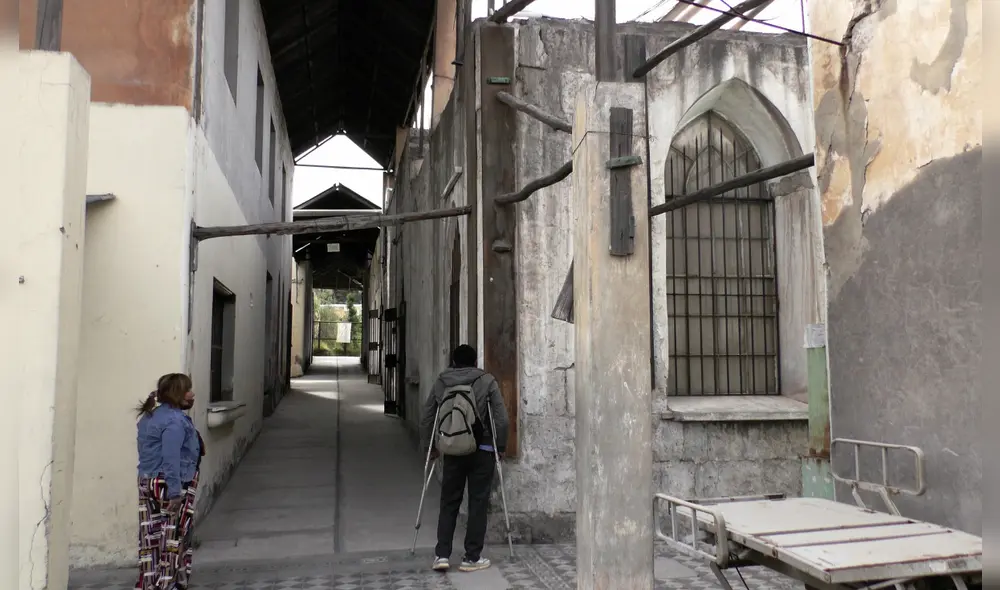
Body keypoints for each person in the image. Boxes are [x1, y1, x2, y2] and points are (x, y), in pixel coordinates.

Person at [420, 344, 509, 573]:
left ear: (453, 362)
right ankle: (472, 558)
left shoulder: (442, 381)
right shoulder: (486, 380)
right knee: (478, 503)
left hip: (452, 449)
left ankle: (442, 555)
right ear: (474, 361)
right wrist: (499, 446)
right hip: (483, 451)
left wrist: (430, 448)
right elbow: (501, 418)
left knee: (449, 502)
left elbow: (428, 414)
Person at [135, 373, 205, 590]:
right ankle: (168, 584)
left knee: (150, 537)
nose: (192, 394)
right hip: (170, 485)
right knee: (172, 538)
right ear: (177, 395)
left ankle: (148, 582)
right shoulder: (174, 421)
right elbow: (171, 458)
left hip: (148, 481)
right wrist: (175, 492)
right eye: (188, 390)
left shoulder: (150, 416)